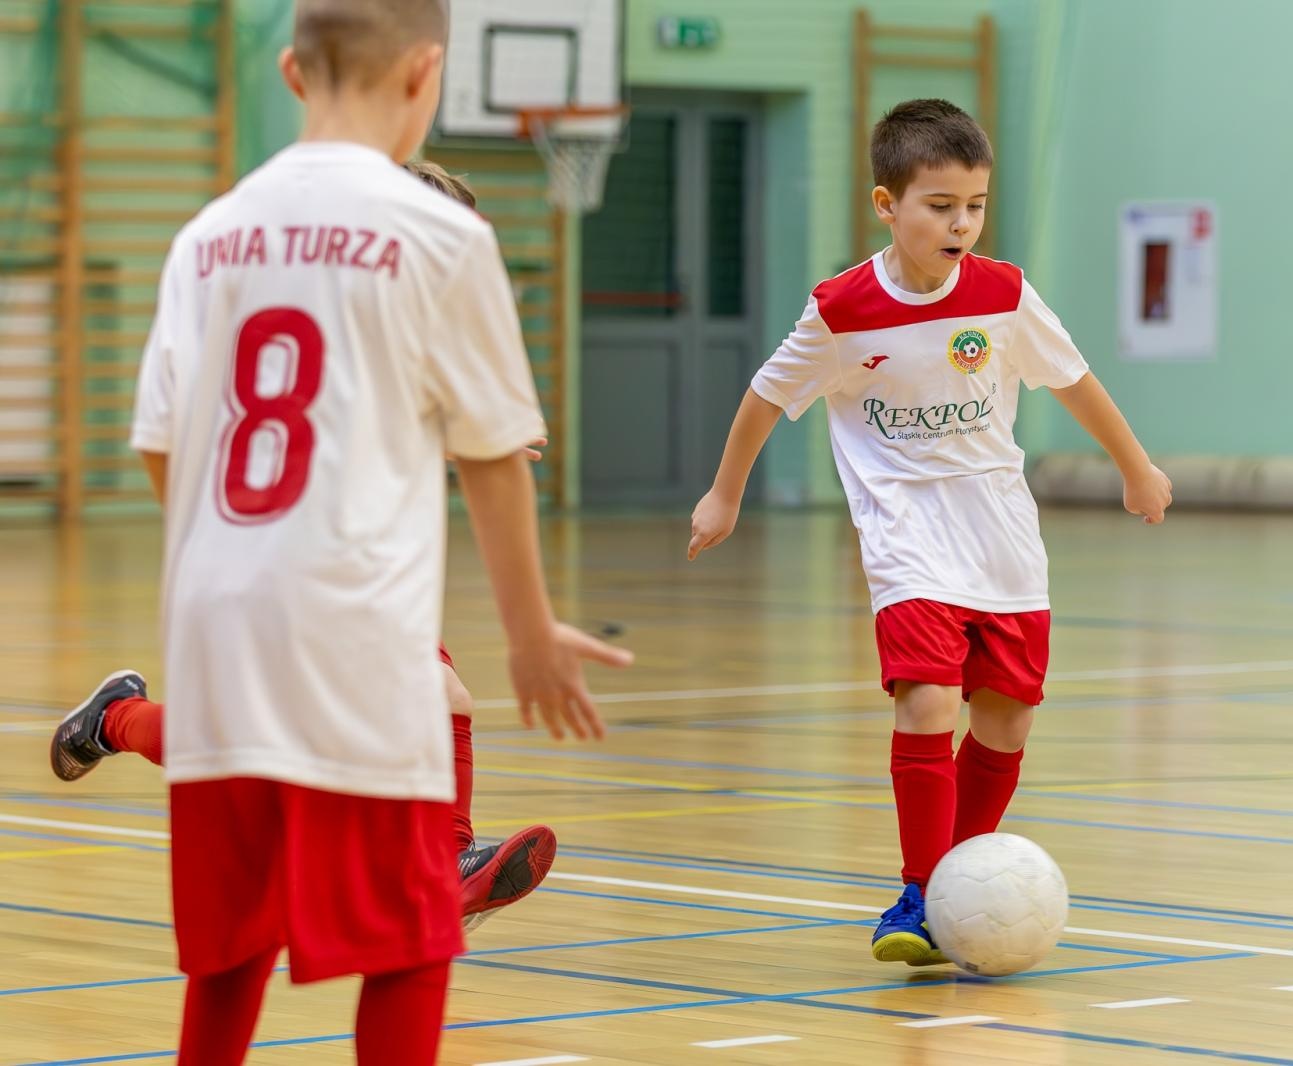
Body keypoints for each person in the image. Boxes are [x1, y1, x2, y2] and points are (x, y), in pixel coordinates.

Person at [116, 2, 630, 1061]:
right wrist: (531, 634)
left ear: (292, 72)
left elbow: (163, 442)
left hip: (216, 609)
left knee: (229, 947)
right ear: (428, 72)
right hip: (349, 616)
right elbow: (495, 458)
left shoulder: (206, 234)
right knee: (411, 941)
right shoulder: (440, 234)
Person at [687, 98, 1170, 967]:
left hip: (1001, 534)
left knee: (1007, 721)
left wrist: (1135, 466)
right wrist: (724, 495)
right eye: (940, 205)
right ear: (887, 206)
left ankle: (953, 882)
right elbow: (765, 398)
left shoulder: (1003, 293)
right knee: (929, 701)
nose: (961, 223)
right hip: (905, 534)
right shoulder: (842, 309)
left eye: (975, 204)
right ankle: (921, 890)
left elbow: (1075, 380)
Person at [49, 161, 562, 936]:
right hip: (289, 558)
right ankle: (121, 720)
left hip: (354, 562)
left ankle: (443, 864)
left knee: (317, 732)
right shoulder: (347, 318)